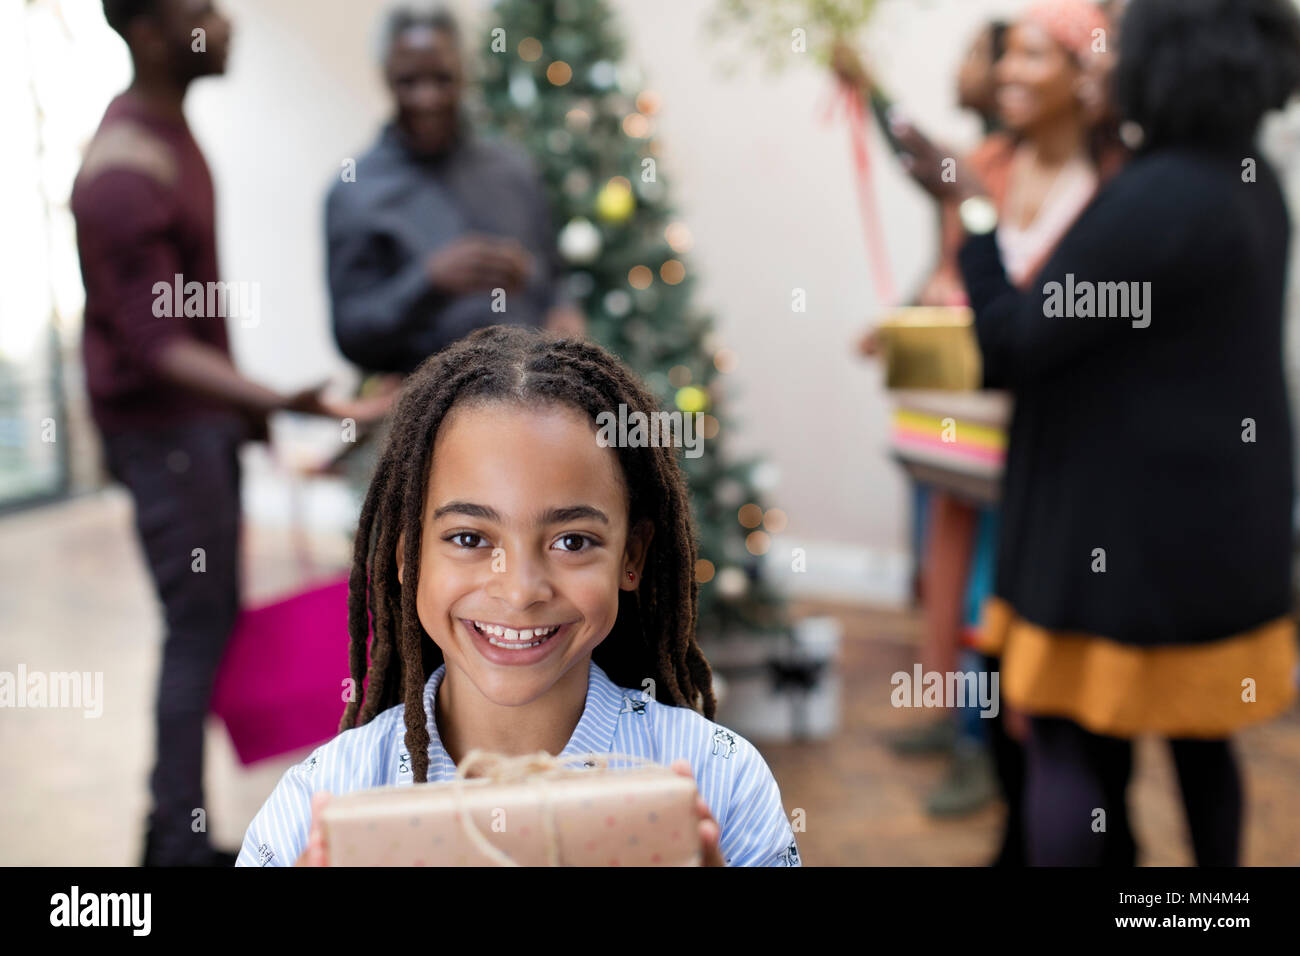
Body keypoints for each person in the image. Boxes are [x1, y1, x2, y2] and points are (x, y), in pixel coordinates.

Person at [921, 0, 1300, 865]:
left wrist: (973, 217)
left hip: (1121, 544)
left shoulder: (1156, 196)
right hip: (1214, 533)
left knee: (1065, 744)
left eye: (1118, 45)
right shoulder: (1245, 178)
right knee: (1202, 745)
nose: (1102, 62)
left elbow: (1012, 341)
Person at [235, 326, 801, 867]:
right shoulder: (326, 800)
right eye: (469, 538)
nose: (520, 589)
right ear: (408, 556)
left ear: (632, 556)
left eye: (572, 541)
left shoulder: (717, 780)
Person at [74, 0, 391, 866]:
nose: (226, 20)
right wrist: (278, 401)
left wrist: (256, 420)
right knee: (196, 629)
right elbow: (155, 344)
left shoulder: (169, 132)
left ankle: (168, 833)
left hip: (194, 437)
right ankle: (172, 843)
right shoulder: (122, 173)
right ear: (148, 31)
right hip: (165, 444)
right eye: (201, 9)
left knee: (204, 622)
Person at [325, 5, 586, 378]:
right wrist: (428, 282)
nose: (427, 98)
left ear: (464, 73)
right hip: (423, 412)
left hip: (530, 400)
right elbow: (351, 334)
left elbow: (554, 277)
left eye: (441, 78)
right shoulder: (355, 191)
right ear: (385, 76)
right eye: (409, 81)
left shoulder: (514, 170)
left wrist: (562, 307)